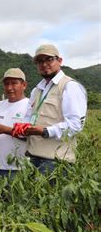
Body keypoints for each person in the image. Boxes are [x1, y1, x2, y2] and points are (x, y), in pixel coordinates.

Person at [23, 44, 87, 174]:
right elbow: (28, 118)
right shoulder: (37, 90)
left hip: (55, 161)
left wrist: (45, 131)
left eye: (49, 59)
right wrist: (22, 128)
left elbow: (75, 124)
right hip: (32, 157)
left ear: (60, 61)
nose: (44, 64)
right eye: (40, 61)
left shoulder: (69, 86)